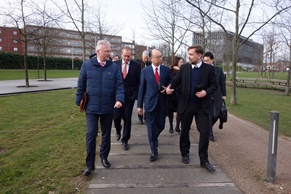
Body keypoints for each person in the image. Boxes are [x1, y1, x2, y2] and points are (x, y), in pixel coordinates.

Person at [75, 40, 124, 176]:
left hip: (108, 107)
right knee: (91, 134)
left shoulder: (114, 67)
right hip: (91, 107)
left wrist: (119, 99)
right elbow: (81, 84)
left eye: (110, 51)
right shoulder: (86, 65)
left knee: (106, 134)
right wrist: (78, 101)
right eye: (106, 51)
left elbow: (119, 86)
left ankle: (104, 157)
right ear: (98, 52)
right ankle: (89, 165)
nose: (109, 53)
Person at [166, 45, 217, 172]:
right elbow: (176, 81)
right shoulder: (184, 68)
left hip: (202, 106)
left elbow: (214, 86)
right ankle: (185, 154)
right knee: (184, 131)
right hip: (187, 104)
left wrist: (206, 92)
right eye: (188, 54)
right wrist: (169, 87)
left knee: (205, 132)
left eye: (191, 54)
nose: (188, 56)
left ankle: (204, 160)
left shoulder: (209, 69)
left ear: (199, 55)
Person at [137, 49, 172, 162]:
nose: (160, 59)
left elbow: (172, 83)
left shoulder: (166, 70)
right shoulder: (145, 71)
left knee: (161, 125)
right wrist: (139, 106)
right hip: (150, 103)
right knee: (151, 127)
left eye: (161, 56)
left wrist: (168, 89)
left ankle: (153, 139)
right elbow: (141, 89)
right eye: (157, 57)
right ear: (151, 58)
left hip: (162, 103)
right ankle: (154, 151)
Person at [113, 47, 141, 150]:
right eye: (125, 56)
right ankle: (118, 129)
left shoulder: (136, 66)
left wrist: (136, 94)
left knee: (127, 118)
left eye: (128, 56)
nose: (126, 58)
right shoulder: (115, 65)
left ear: (131, 55)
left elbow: (139, 81)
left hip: (130, 97)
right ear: (121, 55)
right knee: (116, 117)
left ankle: (125, 140)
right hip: (116, 96)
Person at [203, 52, 226, 142]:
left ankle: (208, 127)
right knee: (209, 114)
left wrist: (224, 94)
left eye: (207, 60)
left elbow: (222, 83)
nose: (205, 62)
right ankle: (210, 133)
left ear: (212, 60)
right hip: (206, 95)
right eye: (204, 61)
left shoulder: (219, 70)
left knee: (216, 114)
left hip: (217, 95)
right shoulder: (202, 70)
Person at [167, 56, 184, 134]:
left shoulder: (183, 70)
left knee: (179, 111)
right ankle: (171, 126)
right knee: (170, 111)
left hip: (180, 94)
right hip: (172, 94)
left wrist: (180, 71)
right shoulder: (170, 71)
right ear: (176, 62)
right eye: (180, 62)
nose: (182, 63)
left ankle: (177, 126)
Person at [137, 50, 152, 124]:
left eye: (147, 58)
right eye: (144, 58)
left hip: (147, 86)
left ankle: (146, 117)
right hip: (139, 85)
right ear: (142, 57)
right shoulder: (138, 64)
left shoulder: (150, 64)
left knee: (146, 102)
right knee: (140, 102)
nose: (145, 59)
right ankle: (140, 116)